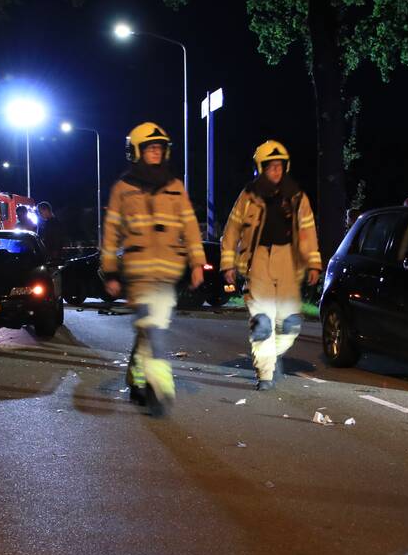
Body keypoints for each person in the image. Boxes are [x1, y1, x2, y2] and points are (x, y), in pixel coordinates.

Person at [102, 122, 206, 417]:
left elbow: (189, 227)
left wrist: (197, 263)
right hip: (138, 273)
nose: (156, 152)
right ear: (136, 152)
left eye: (159, 148)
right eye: (150, 148)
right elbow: (111, 234)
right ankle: (160, 388)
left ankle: (137, 380)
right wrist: (110, 272)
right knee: (153, 329)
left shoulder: (175, 187)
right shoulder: (123, 189)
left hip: (168, 272)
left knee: (147, 331)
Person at [221, 140, 322, 391]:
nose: (275, 171)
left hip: (288, 261)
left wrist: (313, 263)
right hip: (258, 262)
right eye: (270, 167)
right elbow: (232, 231)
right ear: (260, 168)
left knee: (290, 324)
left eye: (279, 166)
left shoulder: (298, 197)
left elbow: (308, 232)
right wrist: (228, 264)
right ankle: (265, 373)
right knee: (263, 322)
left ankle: (272, 355)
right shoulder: (247, 197)